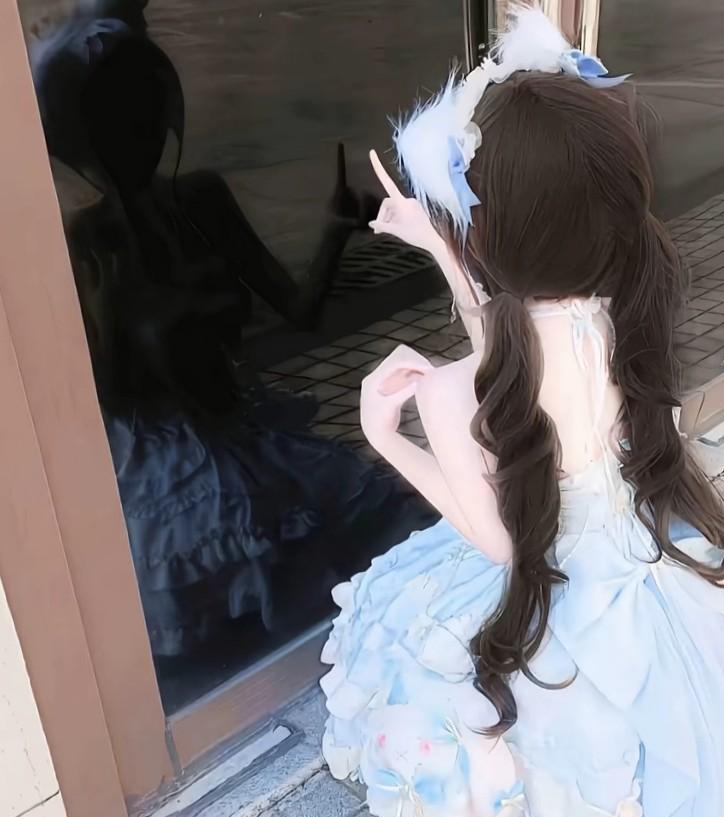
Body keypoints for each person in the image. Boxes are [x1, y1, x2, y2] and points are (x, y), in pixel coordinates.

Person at [321, 7, 724, 817]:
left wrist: (386, 440)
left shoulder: (455, 393)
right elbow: (511, 329)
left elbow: (500, 543)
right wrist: (435, 243)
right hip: (633, 544)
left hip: (558, 570)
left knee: (404, 618)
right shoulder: (617, 310)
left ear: (487, 229)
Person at [31, 1, 435, 667]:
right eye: (113, 126)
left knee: (346, 542)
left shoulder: (200, 199)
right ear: (81, 140)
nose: (137, 138)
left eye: (144, 117)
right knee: (227, 595)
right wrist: (109, 311)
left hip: (239, 426)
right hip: (160, 459)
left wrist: (337, 233)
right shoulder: (90, 242)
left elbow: (298, 312)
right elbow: (105, 390)